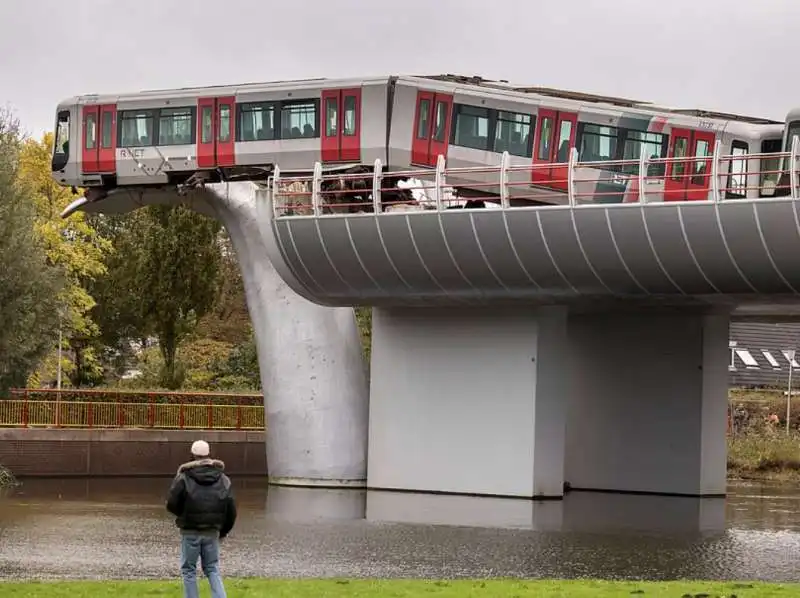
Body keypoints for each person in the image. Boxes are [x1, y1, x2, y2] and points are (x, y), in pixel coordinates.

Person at [166, 439, 237, 598]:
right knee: (212, 568)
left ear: (192, 456)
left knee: (189, 570)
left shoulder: (184, 477)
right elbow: (231, 509)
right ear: (209, 455)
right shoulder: (223, 479)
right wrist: (223, 530)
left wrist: (183, 515)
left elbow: (171, 504)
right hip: (212, 531)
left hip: (190, 530)